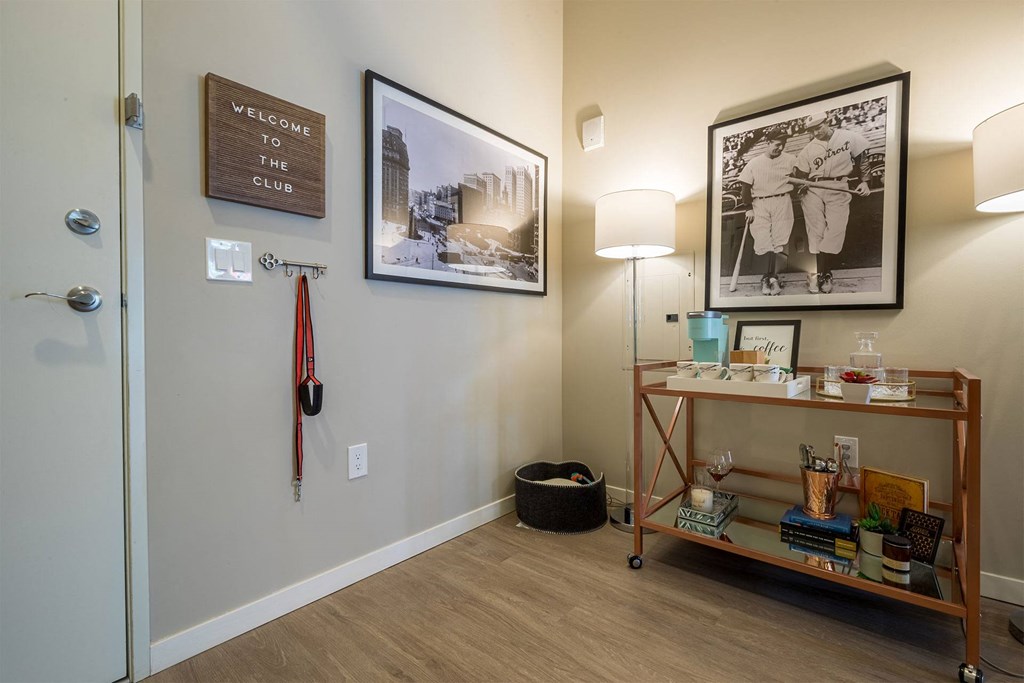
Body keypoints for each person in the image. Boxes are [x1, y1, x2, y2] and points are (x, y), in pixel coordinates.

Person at [792, 113, 871, 293]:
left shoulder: (848, 137)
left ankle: (823, 270)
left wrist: (865, 181)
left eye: (818, 127)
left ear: (828, 122)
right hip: (814, 188)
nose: (815, 133)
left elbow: (863, 159)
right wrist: (801, 185)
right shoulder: (808, 149)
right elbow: (800, 175)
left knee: (836, 228)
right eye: (811, 130)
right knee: (816, 231)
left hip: (839, 184)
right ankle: (821, 273)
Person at [737, 128, 797, 296]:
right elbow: (745, 188)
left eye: (783, 144)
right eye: (777, 144)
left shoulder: (791, 159)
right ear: (768, 142)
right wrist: (748, 208)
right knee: (763, 239)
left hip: (782, 200)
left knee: (779, 239)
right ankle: (767, 278)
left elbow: (799, 178)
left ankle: (772, 277)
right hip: (760, 203)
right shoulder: (754, 163)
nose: (780, 148)